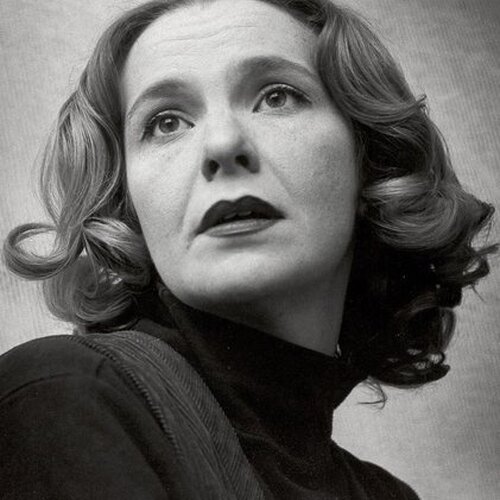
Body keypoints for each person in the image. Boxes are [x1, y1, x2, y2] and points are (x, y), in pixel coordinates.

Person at [0, 0, 495, 498]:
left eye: (277, 97)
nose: (222, 144)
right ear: (127, 207)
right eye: (166, 122)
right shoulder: (65, 396)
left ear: (370, 160)